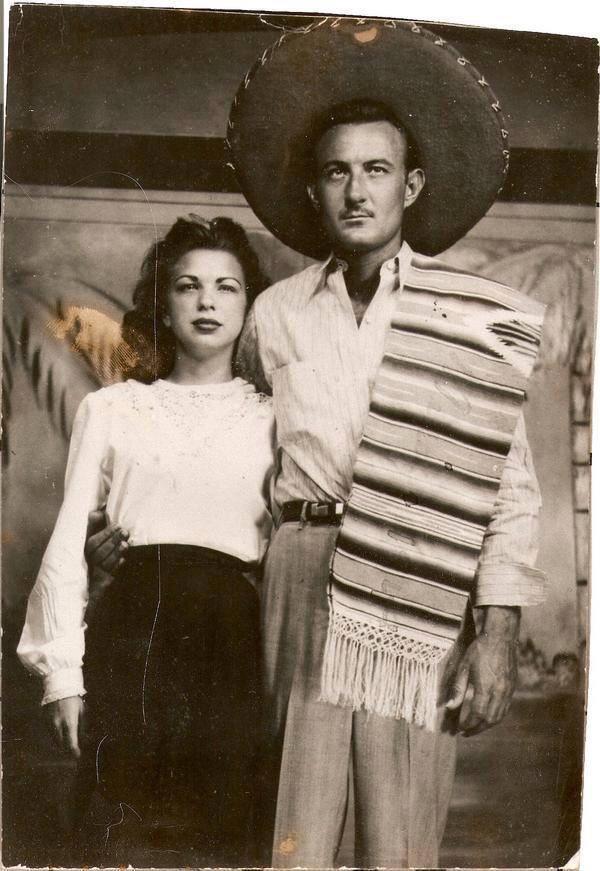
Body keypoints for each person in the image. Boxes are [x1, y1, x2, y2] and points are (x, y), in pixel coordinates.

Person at [87, 18, 548, 868]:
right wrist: (132, 525)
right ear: (313, 190)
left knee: (397, 830)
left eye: (377, 169)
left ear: (411, 184)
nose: (357, 190)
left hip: (419, 581)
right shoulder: (275, 315)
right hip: (299, 574)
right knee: (295, 827)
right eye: (336, 171)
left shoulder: (466, 317)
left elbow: (508, 487)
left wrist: (496, 629)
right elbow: (228, 433)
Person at [17, 215, 274, 866]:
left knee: (225, 838)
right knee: (117, 835)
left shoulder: (276, 416)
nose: (207, 302)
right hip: (131, 635)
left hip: (234, 645)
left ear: (250, 305)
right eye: (188, 286)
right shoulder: (112, 410)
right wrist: (64, 677)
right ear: (163, 302)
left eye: (227, 288)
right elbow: (68, 542)